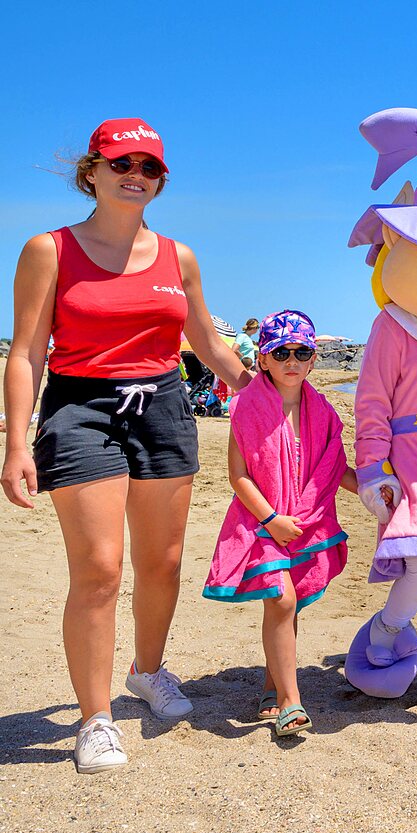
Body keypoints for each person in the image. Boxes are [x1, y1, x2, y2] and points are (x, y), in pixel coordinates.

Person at [1, 118, 252, 773]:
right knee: (101, 568)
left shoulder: (180, 258)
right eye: (121, 164)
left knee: (163, 563)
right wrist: (16, 441)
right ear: (92, 171)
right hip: (80, 408)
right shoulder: (48, 250)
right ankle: (95, 717)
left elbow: (207, 340)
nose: (134, 175)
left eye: (148, 167)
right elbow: (26, 351)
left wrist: (256, 387)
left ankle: (147, 669)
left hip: (164, 406)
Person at [203, 310, 356, 735]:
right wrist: (271, 518)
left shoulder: (322, 410)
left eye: (301, 352)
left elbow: (333, 467)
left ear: (312, 360)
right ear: (264, 359)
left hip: (306, 520)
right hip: (261, 521)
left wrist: (372, 487)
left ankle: (273, 684)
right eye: (281, 352)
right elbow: (238, 476)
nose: (292, 360)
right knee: (282, 601)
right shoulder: (248, 407)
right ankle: (291, 701)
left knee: (291, 604)